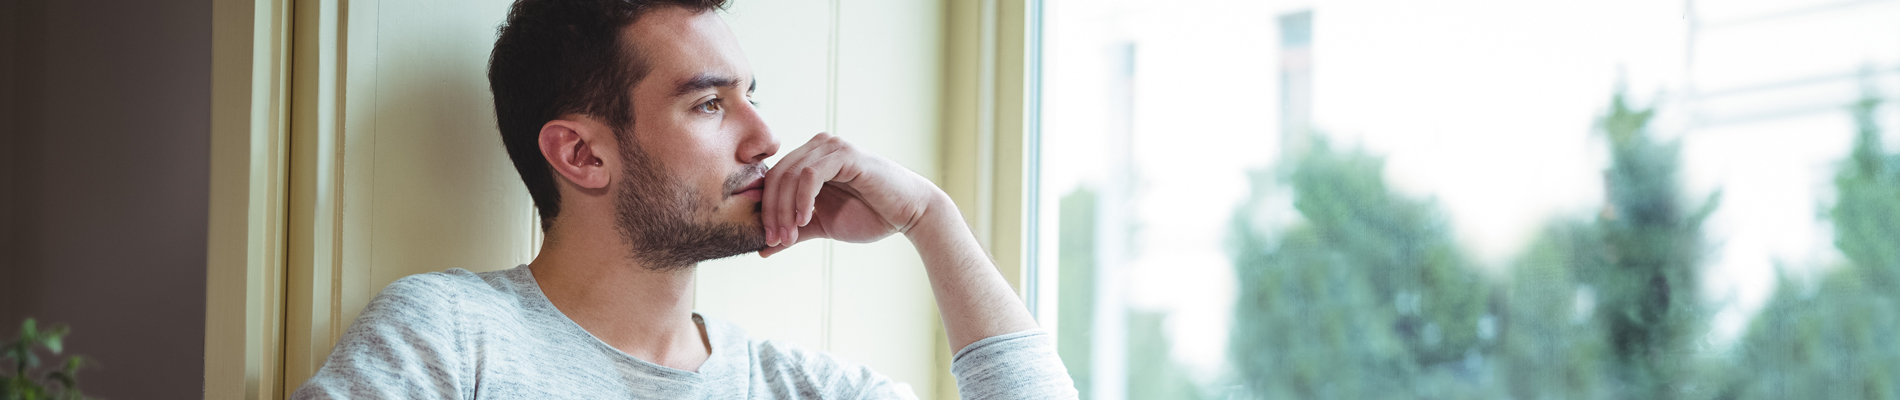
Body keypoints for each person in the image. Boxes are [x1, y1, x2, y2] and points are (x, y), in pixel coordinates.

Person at [289, 0, 1076, 398]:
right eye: (709, 104)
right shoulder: (451, 339)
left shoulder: (794, 386)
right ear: (582, 153)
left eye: (753, 96)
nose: (766, 136)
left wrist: (928, 218)